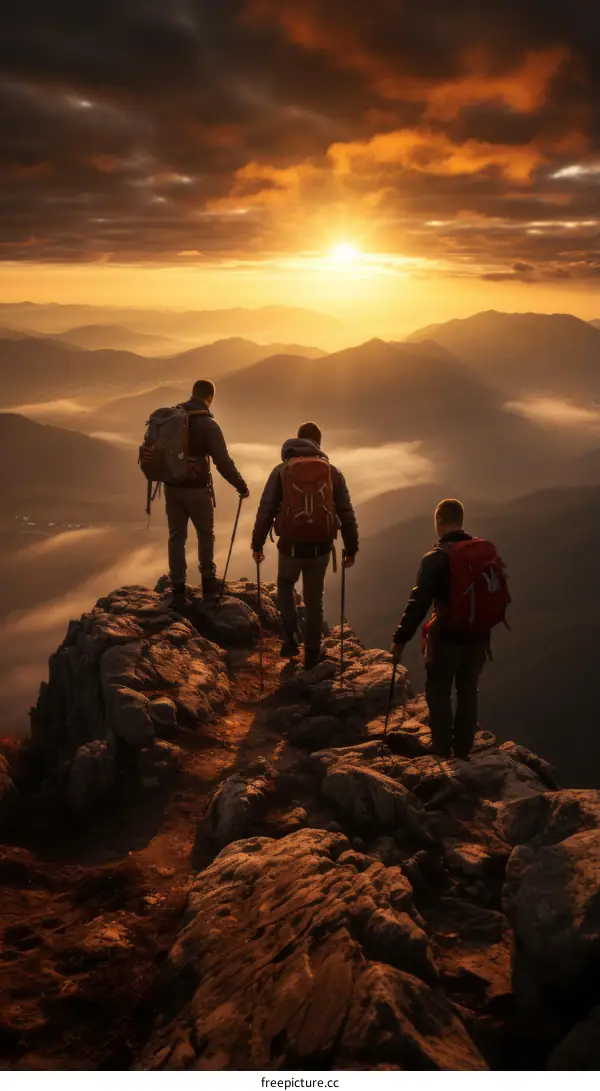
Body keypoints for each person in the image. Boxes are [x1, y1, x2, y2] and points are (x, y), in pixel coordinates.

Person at [390, 498, 502, 760]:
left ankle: (442, 750)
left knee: (438, 690)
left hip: (447, 637)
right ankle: (463, 750)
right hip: (479, 636)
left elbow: (418, 603)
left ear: (439, 521)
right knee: (468, 689)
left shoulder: (436, 558)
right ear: (460, 521)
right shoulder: (480, 553)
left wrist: (400, 640)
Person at [251, 422, 359, 670]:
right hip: (320, 547)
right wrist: (351, 547)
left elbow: (266, 509)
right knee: (314, 600)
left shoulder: (281, 470)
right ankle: (312, 652)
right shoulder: (332, 472)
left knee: (285, 587)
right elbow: (346, 512)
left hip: (289, 546)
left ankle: (290, 639)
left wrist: (257, 544)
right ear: (318, 444)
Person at [165, 379, 249, 599]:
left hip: (172, 487)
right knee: (205, 533)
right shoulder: (208, 425)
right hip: (197, 490)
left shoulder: (172, 417)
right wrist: (241, 485)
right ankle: (208, 581)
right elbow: (223, 462)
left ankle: (177, 584)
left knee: (176, 536)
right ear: (210, 398)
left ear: (192, 394)